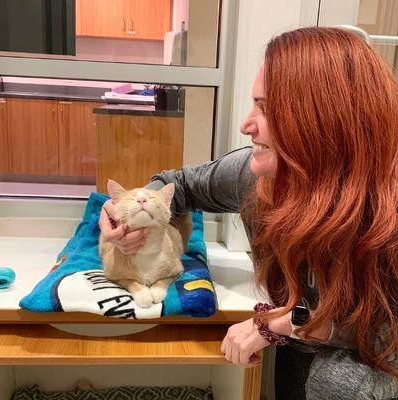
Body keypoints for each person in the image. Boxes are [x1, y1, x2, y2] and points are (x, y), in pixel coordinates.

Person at [99, 27, 398, 399]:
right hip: (301, 344)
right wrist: (122, 224)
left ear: (325, 120)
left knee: (339, 383)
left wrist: (284, 322)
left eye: (267, 109)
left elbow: (383, 331)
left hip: (369, 356)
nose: (246, 124)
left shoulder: (388, 206)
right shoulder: (254, 175)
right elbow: (178, 185)